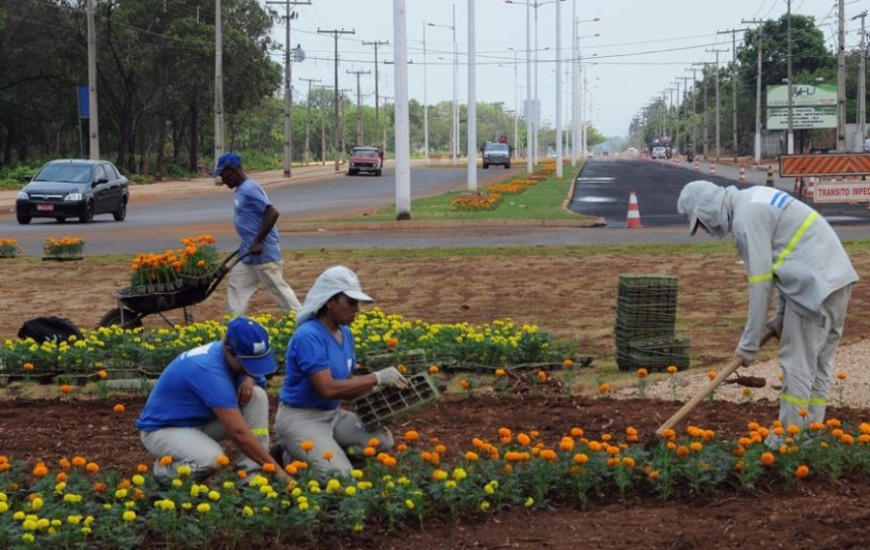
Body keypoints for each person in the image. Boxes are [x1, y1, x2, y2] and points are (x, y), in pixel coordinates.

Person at [677, 180, 858, 447]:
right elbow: (786, 259)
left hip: (813, 288)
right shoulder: (753, 199)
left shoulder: (744, 221)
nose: (707, 230)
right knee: (818, 365)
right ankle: (811, 437)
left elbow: (761, 283)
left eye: (702, 223)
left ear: (706, 208)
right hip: (835, 280)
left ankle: (790, 440)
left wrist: (749, 343)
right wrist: (782, 315)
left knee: (797, 364)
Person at [273, 266, 409, 478]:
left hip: (332, 414)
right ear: (329, 301)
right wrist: (376, 378)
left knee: (382, 441)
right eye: (351, 302)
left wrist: (378, 389)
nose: (357, 309)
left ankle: (315, 457)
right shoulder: (308, 336)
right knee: (341, 478)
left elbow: (345, 383)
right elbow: (327, 389)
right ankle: (289, 456)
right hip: (301, 417)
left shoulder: (345, 333)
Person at [136, 317, 288, 483]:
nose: (253, 368)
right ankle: (164, 471)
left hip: (198, 421)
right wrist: (279, 472)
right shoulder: (208, 370)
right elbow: (239, 434)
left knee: (257, 395)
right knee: (211, 459)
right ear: (229, 350)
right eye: (248, 363)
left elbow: (254, 376)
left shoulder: (231, 357)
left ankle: (249, 477)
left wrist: (249, 377)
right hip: (164, 429)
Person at [213, 151, 301, 317]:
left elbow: (272, 213)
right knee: (236, 290)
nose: (222, 180)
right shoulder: (241, 190)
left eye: (223, 175)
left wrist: (257, 241)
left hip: (264, 255)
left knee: (281, 294)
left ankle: (303, 325)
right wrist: (249, 242)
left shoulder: (249, 189)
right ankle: (232, 331)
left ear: (231, 170)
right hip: (248, 256)